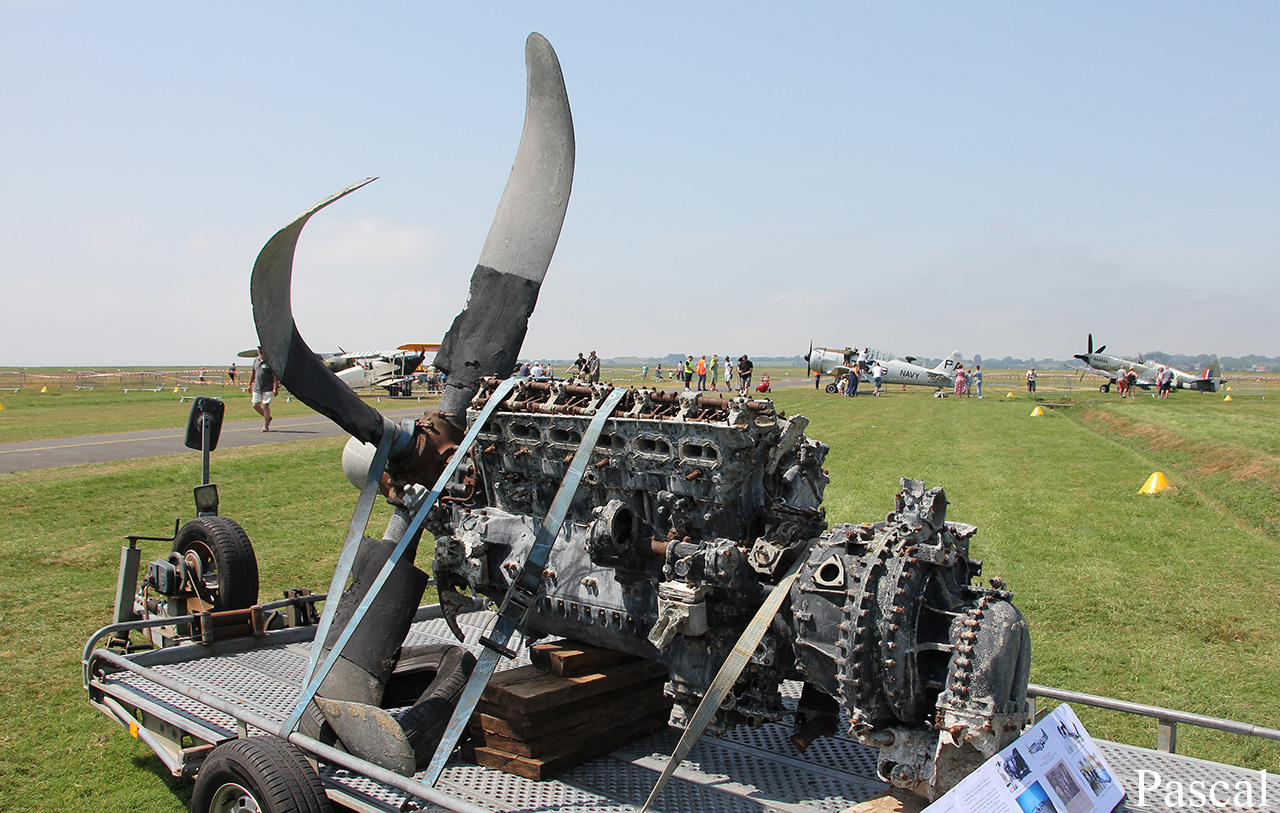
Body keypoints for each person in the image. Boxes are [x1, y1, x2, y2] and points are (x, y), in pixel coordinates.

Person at [248, 347, 278, 432]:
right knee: (255, 405)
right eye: (259, 350)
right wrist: (249, 384)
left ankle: (265, 426)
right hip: (257, 387)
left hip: (268, 387)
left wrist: (275, 388)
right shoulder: (256, 360)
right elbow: (253, 373)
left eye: (262, 350)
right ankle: (268, 417)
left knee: (266, 405)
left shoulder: (270, 361)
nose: (260, 352)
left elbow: (274, 376)